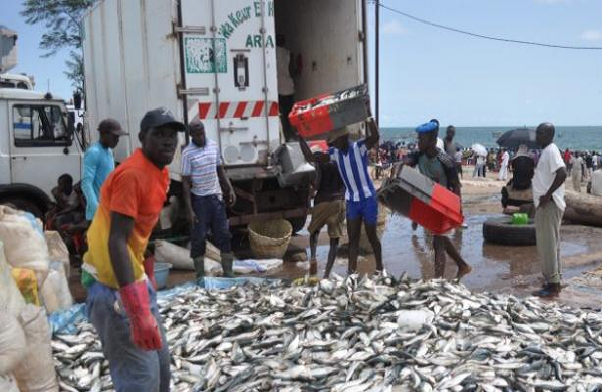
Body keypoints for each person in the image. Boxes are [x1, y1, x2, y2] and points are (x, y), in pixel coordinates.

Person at [82, 108, 186, 391]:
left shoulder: (158, 172)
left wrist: (144, 265)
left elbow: (136, 231)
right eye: (159, 134)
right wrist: (136, 309)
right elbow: (116, 239)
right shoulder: (132, 174)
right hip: (113, 289)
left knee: (161, 371)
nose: (168, 141)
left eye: (172, 135)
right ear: (142, 138)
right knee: (141, 381)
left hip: (133, 279)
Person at [299, 117, 383, 275]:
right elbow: (311, 157)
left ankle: (379, 267)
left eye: (335, 141)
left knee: (372, 236)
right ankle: (351, 274)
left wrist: (369, 116)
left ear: (343, 138)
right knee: (353, 239)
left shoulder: (359, 147)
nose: (333, 144)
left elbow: (375, 137)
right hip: (351, 201)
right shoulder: (335, 153)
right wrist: (300, 137)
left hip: (368, 199)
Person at [404, 120, 471, 279]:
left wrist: (458, 212)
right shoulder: (419, 155)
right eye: (418, 139)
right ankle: (462, 265)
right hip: (429, 202)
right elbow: (406, 163)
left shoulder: (446, 161)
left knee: (438, 241)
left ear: (433, 140)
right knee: (439, 237)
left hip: (444, 203)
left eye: (421, 139)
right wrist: (399, 165)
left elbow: (456, 186)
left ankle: (438, 282)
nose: (418, 142)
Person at [182, 119, 236, 280]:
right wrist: (189, 210)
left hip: (216, 198)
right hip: (200, 201)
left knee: (224, 235)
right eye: (197, 135)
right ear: (191, 136)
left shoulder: (213, 146)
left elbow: (220, 170)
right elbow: (185, 183)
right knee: (199, 238)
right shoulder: (187, 153)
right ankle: (200, 275)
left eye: (202, 133)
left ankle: (228, 272)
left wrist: (230, 189)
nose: (201, 137)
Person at [531, 122, 567, 298]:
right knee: (552, 244)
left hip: (549, 204)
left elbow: (562, 173)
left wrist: (547, 195)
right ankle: (555, 279)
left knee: (548, 245)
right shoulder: (547, 151)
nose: (536, 136)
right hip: (547, 204)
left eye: (539, 133)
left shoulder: (551, 150)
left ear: (548, 135)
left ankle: (552, 285)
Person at [300, 144, 345, 278]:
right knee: (334, 240)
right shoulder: (341, 162)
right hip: (338, 201)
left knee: (314, 232)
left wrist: (311, 189)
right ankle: (326, 274)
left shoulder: (320, 164)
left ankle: (313, 257)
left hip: (321, 201)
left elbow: (317, 184)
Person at [82, 119, 126, 221]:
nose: (117, 140)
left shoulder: (109, 151)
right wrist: (96, 208)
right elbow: (86, 184)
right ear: (104, 134)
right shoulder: (94, 152)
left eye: (118, 137)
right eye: (115, 137)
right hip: (97, 215)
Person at [276, 34, 298, 141]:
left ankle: (280, 135)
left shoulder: (270, 53)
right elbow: (291, 72)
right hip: (288, 88)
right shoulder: (288, 54)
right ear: (284, 42)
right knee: (288, 113)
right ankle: (289, 135)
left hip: (276, 89)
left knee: (278, 114)